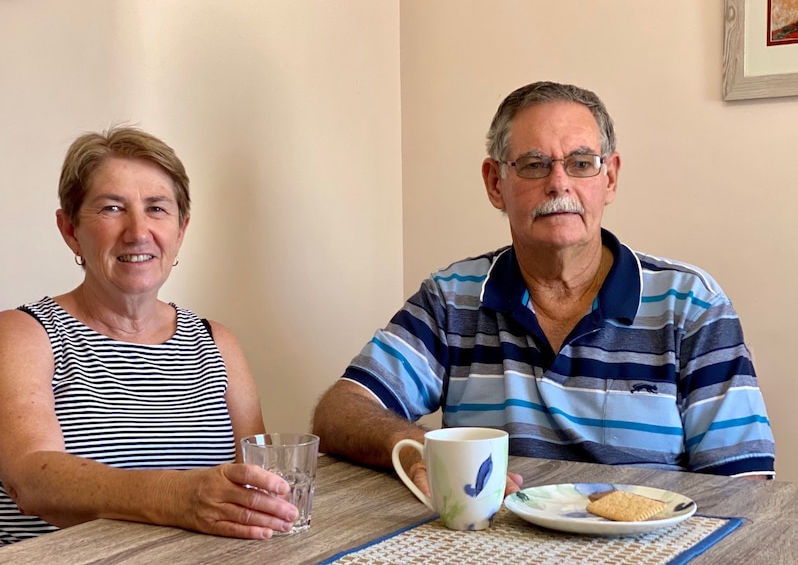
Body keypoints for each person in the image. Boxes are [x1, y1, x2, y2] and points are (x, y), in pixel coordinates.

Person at [312, 81, 776, 497]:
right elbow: (341, 410)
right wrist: (412, 448)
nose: (559, 184)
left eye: (580, 164)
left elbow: (744, 487)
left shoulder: (691, 305)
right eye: (534, 165)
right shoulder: (452, 298)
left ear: (609, 178)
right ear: (496, 184)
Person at [0, 126, 299, 550]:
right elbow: (31, 479)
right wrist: (178, 496)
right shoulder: (19, 335)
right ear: (70, 229)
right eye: (111, 208)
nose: (138, 231)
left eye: (157, 209)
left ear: (181, 230)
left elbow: (255, 480)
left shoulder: (218, 342)